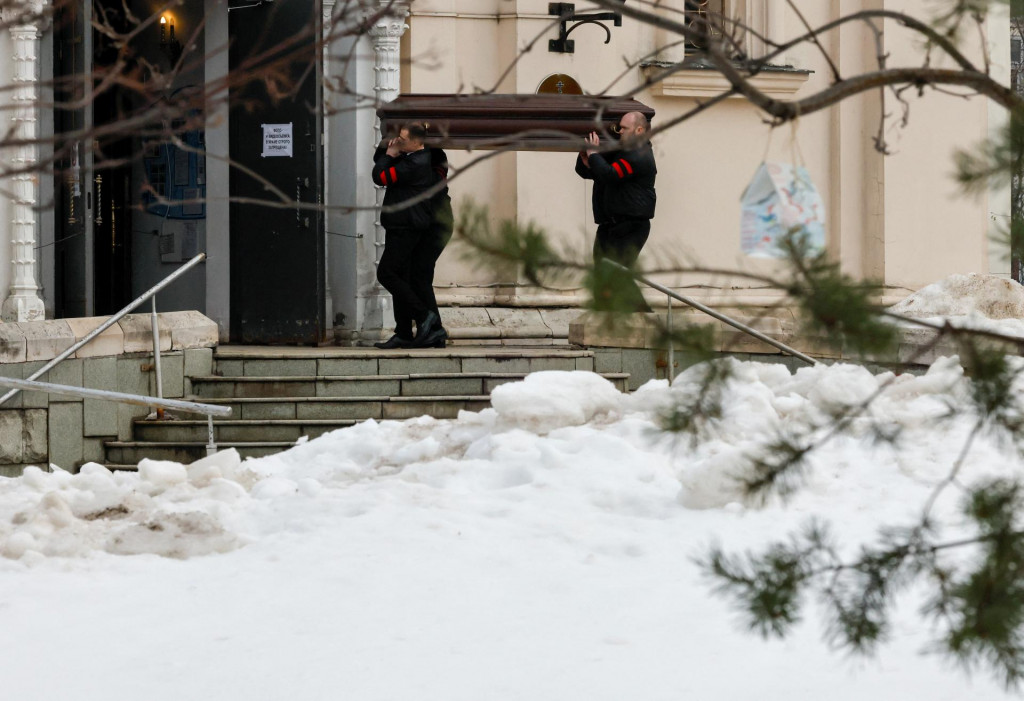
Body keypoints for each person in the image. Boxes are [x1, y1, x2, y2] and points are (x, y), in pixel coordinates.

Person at [371, 122, 449, 349]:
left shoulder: (418, 162)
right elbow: (380, 161)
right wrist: (389, 147)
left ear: (419, 141)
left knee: (391, 274)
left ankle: (427, 319)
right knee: (403, 276)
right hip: (405, 224)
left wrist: (390, 154)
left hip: (411, 225)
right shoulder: (410, 156)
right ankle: (408, 331)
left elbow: (379, 176)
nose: (398, 142)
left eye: (403, 139)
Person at [575, 110, 657, 312]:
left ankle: (645, 318)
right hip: (609, 225)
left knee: (618, 274)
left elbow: (610, 174)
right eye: (619, 127)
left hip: (631, 226)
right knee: (602, 275)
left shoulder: (639, 154)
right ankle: (606, 317)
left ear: (639, 130)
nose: (619, 131)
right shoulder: (622, 152)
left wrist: (594, 155)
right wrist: (587, 160)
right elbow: (594, 173)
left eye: (624, 128)